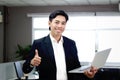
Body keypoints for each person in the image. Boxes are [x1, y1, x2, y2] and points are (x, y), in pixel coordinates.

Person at [22, 10, 98, 80]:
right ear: (49, 23)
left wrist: (87, 75)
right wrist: (32, 63)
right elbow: (25, 69)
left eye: (63, 23)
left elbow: (76, 69)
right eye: (57, 22)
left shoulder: (71, 43)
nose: (60, 26)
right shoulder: (39, 44)